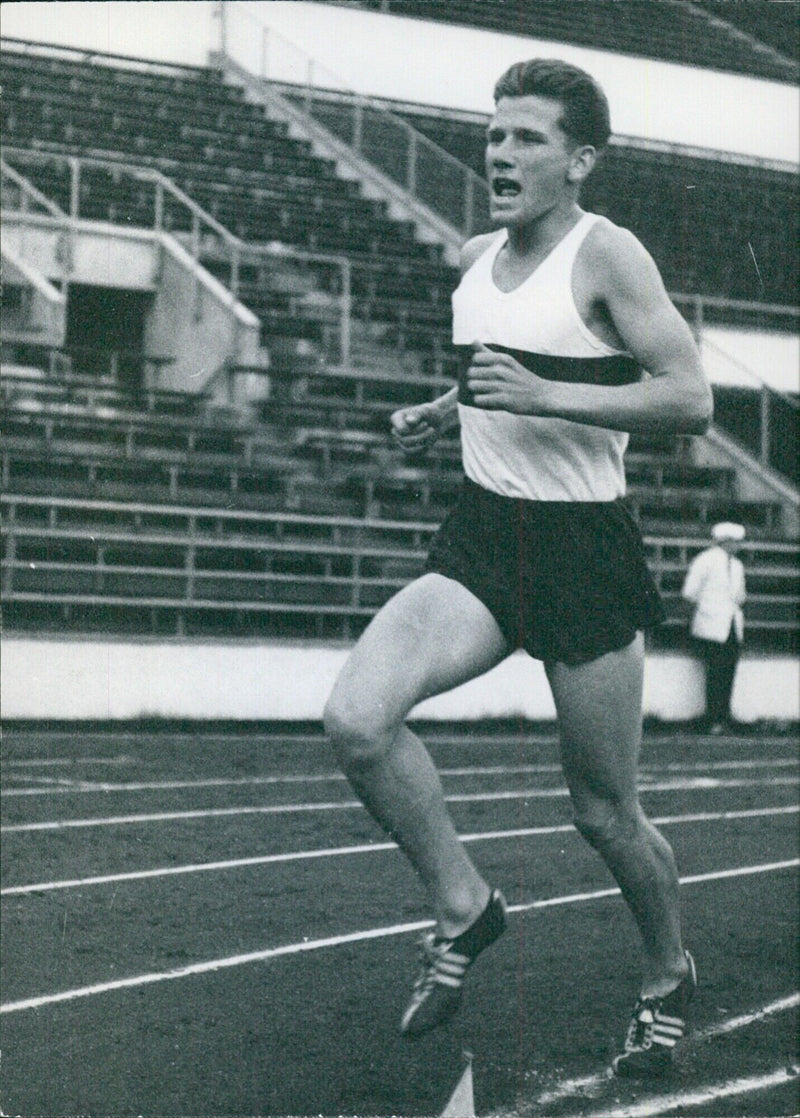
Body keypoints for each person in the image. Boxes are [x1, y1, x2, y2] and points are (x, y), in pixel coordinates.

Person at [324, 58, 713, 1078]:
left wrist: (542, 396)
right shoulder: (472, 255)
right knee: (358, 719)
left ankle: (666, 970)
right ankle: (463, 902)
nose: (500, 152)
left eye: (527, 138)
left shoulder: (607, 255)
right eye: (495, 134)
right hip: (485, 536)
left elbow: (685, 398)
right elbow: (492, 365)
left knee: (600, 811)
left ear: (578, 160)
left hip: (583, 549)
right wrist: (445, 408)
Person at [682, 521, 746, 733]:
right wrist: (711, 607)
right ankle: (713, 719)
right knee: (716, 673)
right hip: (711, 624)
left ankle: (723, 716)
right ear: (725, 541)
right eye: (735, 542)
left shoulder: (737, 565)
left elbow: (740, 596)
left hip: (730, 625)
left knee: (727, 672)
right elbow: (690, 592)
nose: (738, 546)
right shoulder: (705, 560)